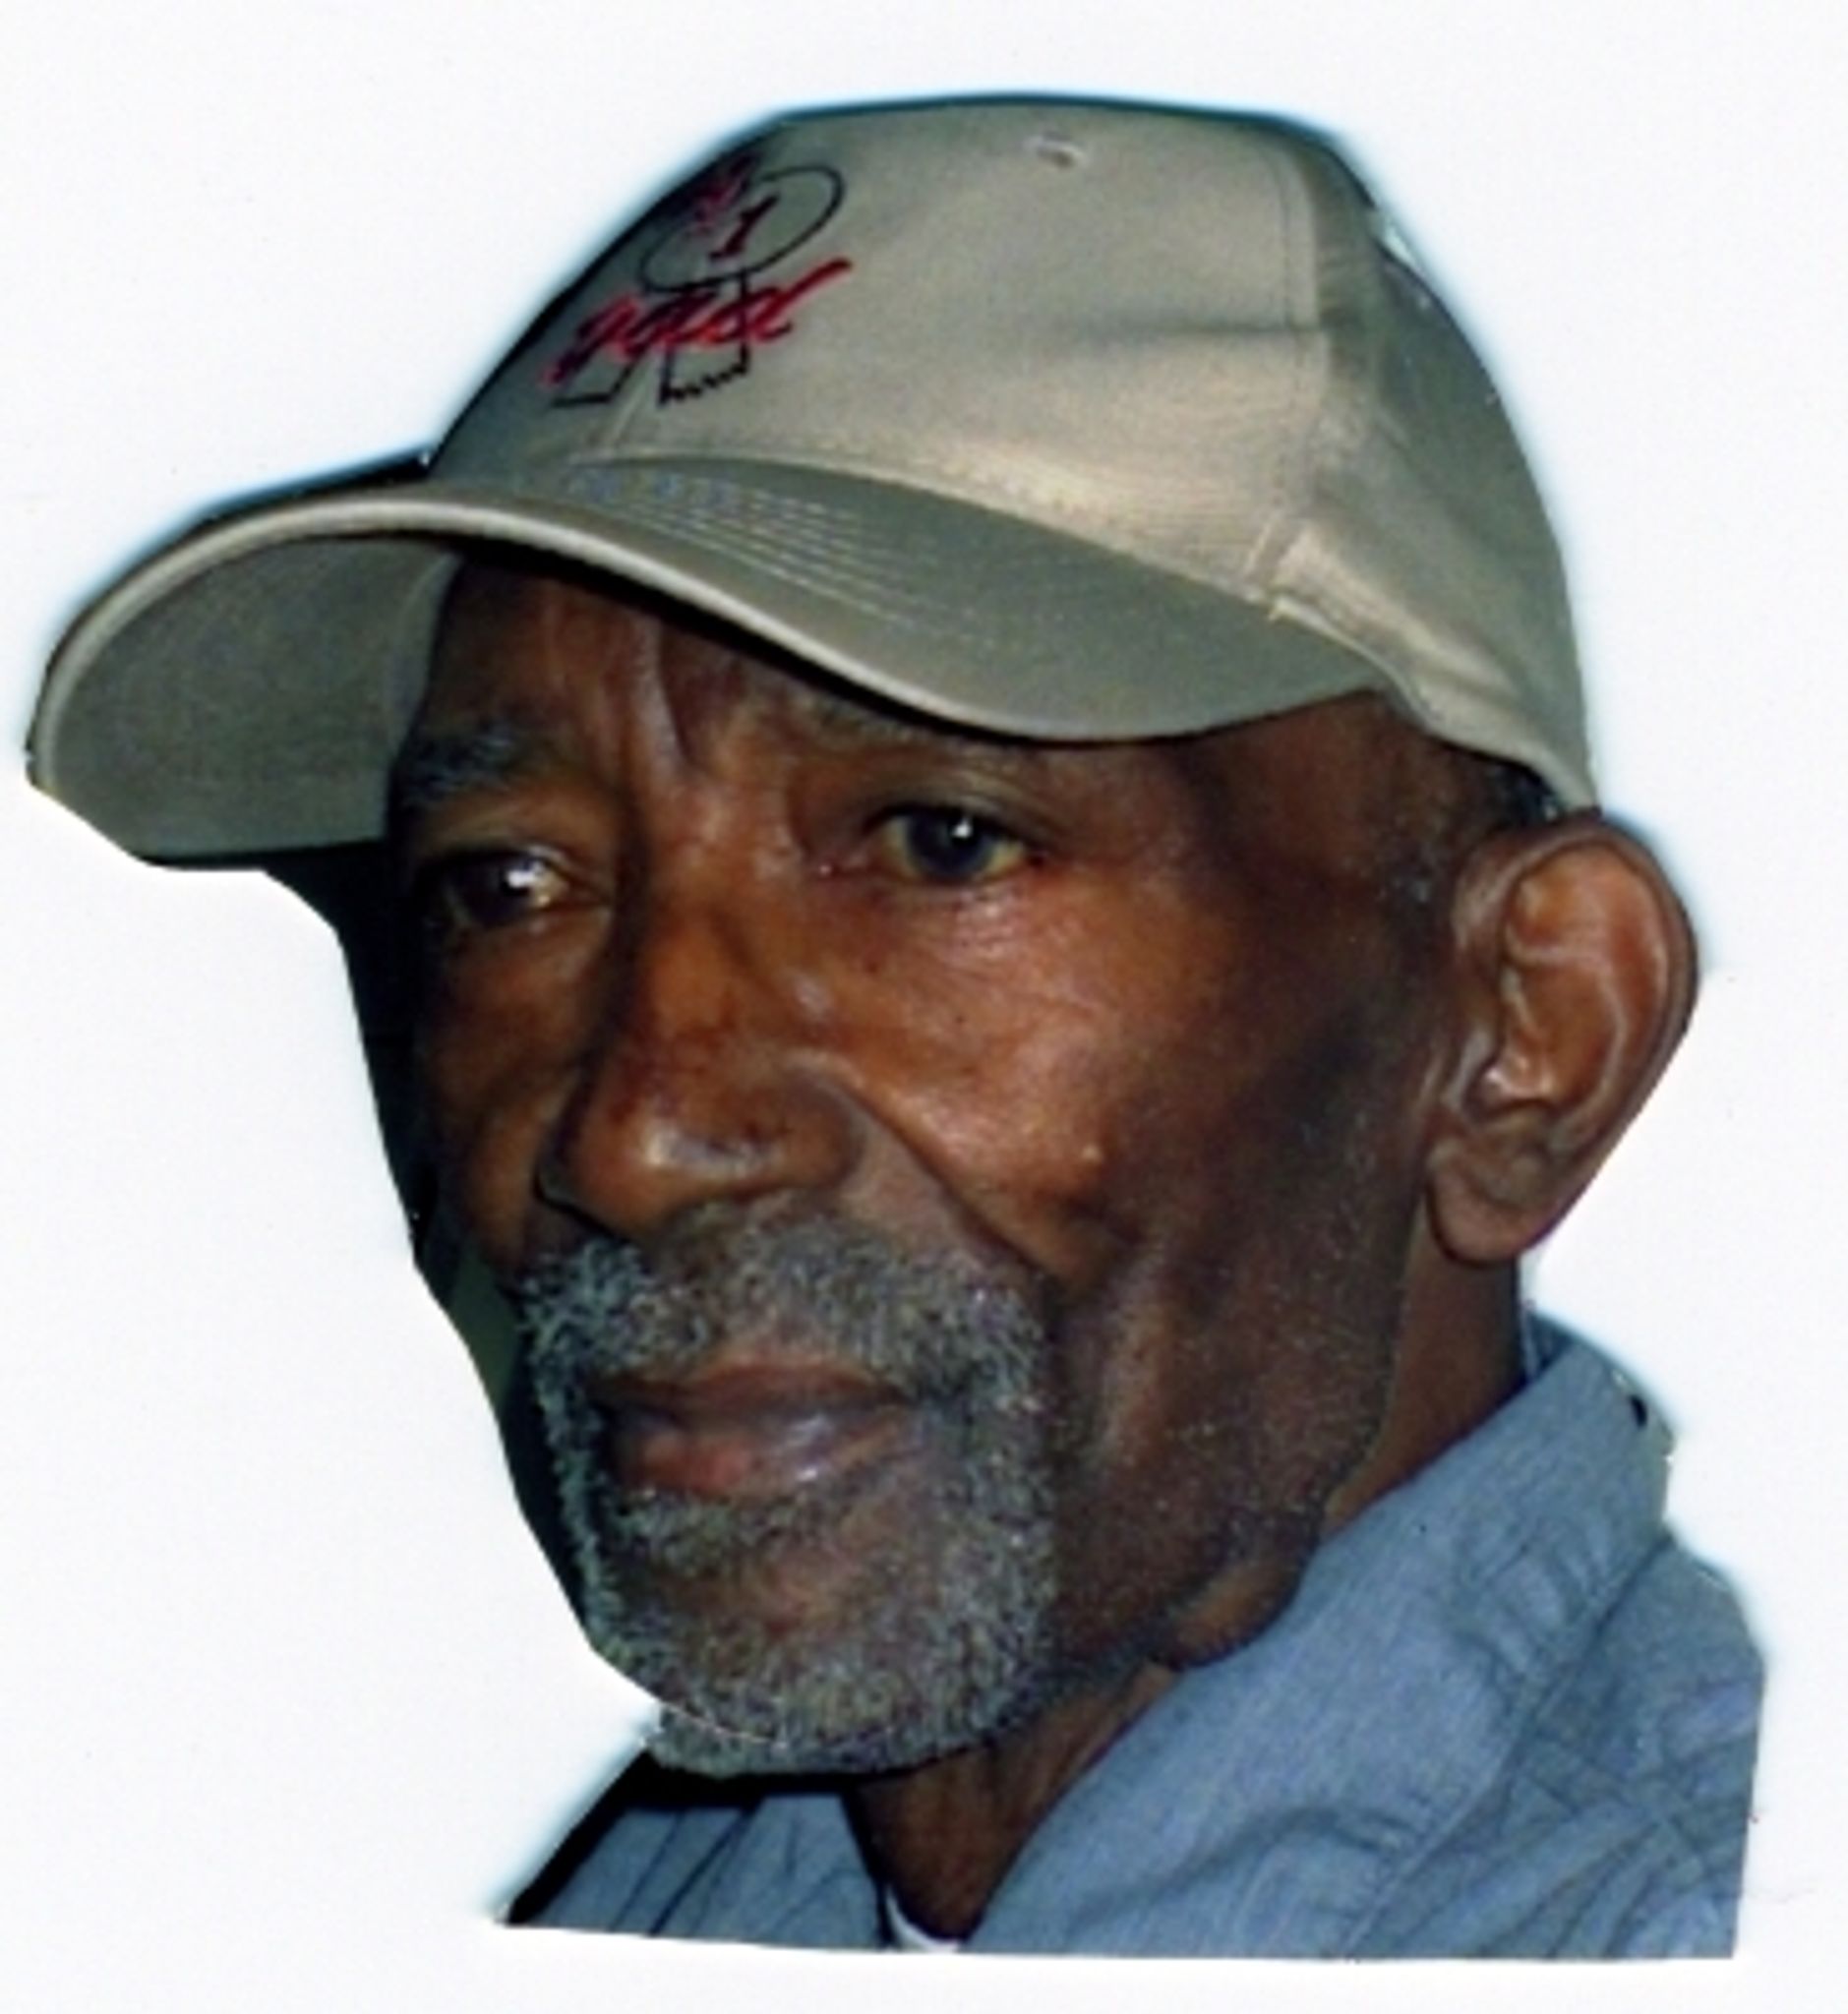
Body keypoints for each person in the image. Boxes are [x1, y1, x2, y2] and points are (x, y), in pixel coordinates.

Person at [28, 97, 1759, 1957]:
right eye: (508, 883)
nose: (633, 1135)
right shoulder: (699, 1896)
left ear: (1525, 1036)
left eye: (942, 843)